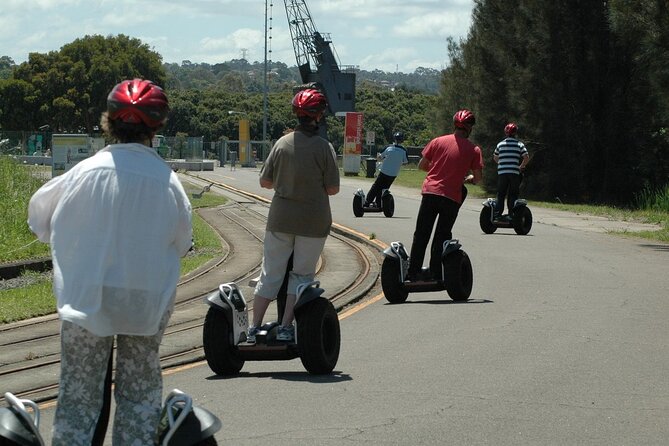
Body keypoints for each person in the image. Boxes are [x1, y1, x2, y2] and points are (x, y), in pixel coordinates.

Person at [28, 79, 193, 445]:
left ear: (109, 122)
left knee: (78, 399)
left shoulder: (83, 173)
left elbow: (39, 220)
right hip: (144, 302)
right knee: (138, 394)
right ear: (158, 125)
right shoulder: (168, 182)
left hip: (85, 298)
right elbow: (182, 243)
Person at [249, 88, 340, 343]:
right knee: (301, 275)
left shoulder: (281, 143)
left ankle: (254, 326)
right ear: (319, 116)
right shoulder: (325, 148)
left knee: (271, 272)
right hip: (313, 221)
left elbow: (265, 182)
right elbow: (333, 188)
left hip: (281, 219)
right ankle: (287, 325)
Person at [407, 109, 484, 282]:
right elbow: (478, 179)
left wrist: (437, 170)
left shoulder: (437, 141)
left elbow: (422, 165)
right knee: (441, 235)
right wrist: (468, 178)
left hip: (430, 192)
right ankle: (435, 272)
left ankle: (413, 272)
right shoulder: (474, 150)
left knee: (421, 234)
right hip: (450, 196)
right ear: (470, 127)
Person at [493, 122, 529, 220]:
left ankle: (497, 215)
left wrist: (501, 164)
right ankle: (511, 215)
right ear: (515, 133)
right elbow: (526, 157)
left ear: (505, 132)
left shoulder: (500, 144)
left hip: (502, 173)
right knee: (513, 194)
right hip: (514, 173)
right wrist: (521, 166)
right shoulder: (519, 144)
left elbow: (495, 157)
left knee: (501, 194)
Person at [364, 131, 409, 207]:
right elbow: (405, 162)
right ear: (402, 140)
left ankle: (367, 202)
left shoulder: (388, 148)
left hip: (384, 172)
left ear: (394, 139)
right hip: (393, 174)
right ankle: (379, 203)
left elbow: (380, 157)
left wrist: (381, 157)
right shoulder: (404, 151)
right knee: (385, 188)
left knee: (376, 187)